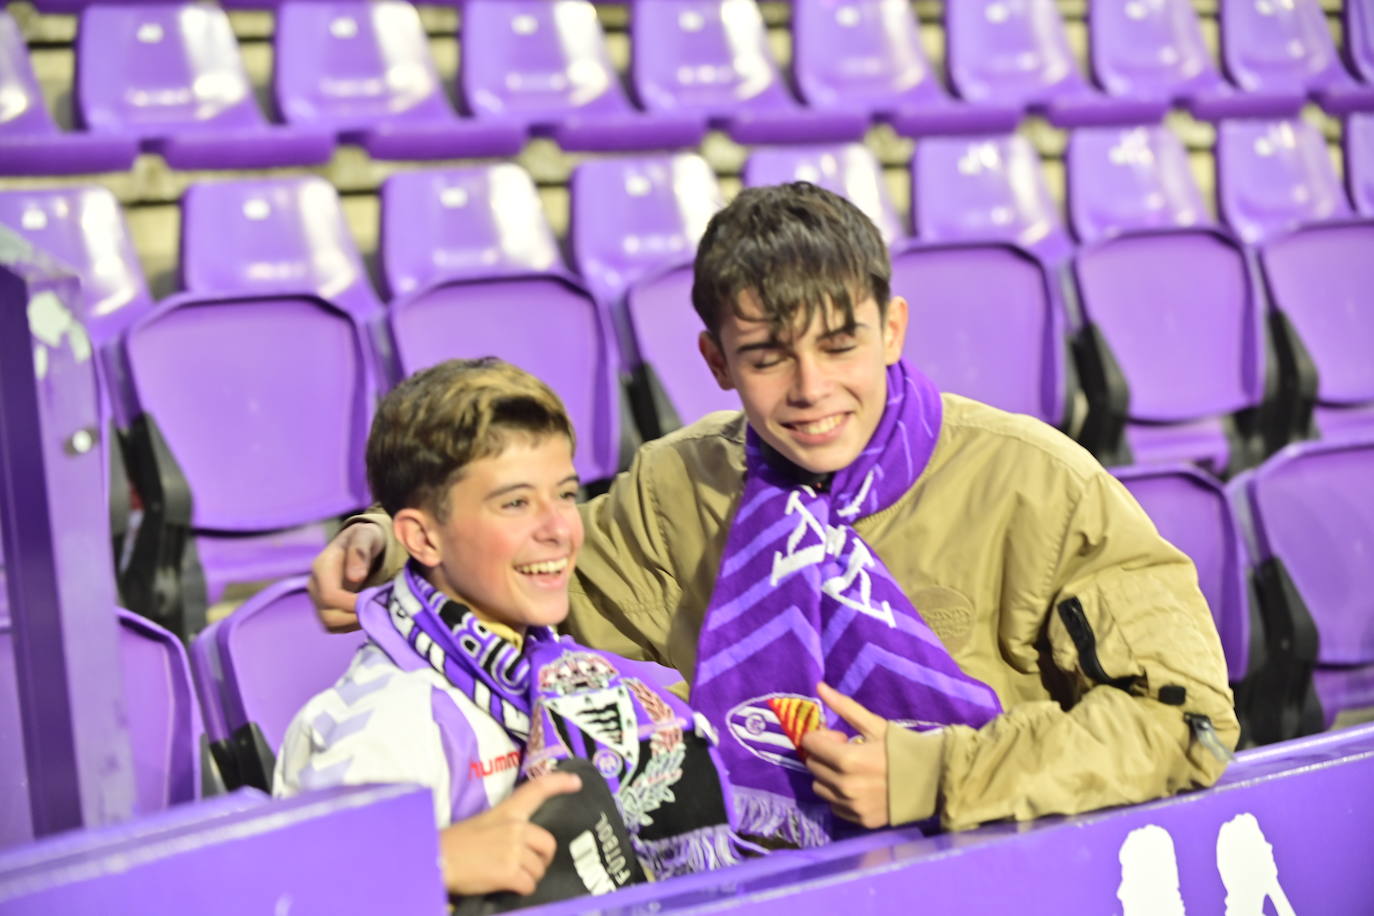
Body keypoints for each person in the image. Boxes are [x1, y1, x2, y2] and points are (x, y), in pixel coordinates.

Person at [311, 183, 1238, 843]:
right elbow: (516, 559)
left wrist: (934, 775)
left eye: (842, 345)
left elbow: (1186, 725)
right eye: (766, 357)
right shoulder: (674, 490)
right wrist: (384, 545)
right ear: (716, 360)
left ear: (895, 327)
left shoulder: (1041, 483)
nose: (812, 390)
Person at [276, 358, 743, 900]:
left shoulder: (572, 675)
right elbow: (300, 892)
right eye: (516, 503)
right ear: (422, 540)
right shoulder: (393, 721)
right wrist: (434, 861)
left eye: (566, 495)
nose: (559, 530)